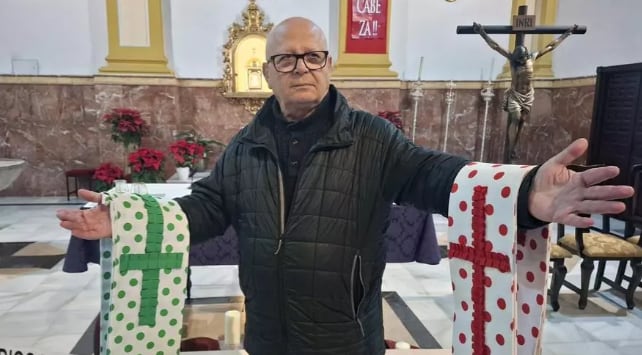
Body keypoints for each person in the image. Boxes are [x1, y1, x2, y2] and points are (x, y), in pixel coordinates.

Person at [57, 17, 633, 355]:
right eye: (286, 59)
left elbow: (435, 176)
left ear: (328, 64)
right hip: (267, 332)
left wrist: (529, 192)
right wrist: (127, 219)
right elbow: (208, 206)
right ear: (267, 71)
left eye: (312, 56)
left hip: (342, 338)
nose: (301, 67)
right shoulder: (246, 142)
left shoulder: (373, 138)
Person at [472, 22, 578, 163]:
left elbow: (551, 46)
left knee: (522, 121)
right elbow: (495, 46)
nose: (522, 62)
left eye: (523, 59)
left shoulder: (532, 57)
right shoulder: (512, 59)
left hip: (528, 95)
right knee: (515, 117)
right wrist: (482, 33)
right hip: (515, 95)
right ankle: (511, 148)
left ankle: (515, 145)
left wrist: (567, 34)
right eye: (519, 60)